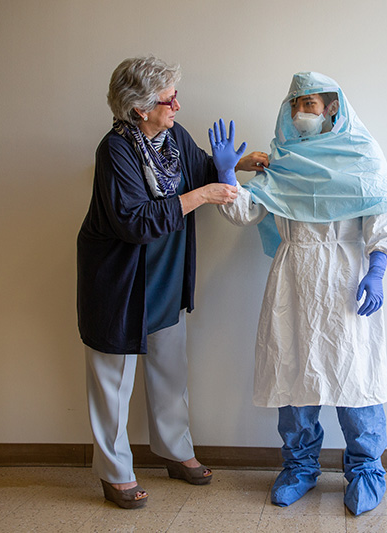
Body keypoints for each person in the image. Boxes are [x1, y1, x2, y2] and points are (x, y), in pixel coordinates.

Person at [76, 56, 267, 509]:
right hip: (120, 283)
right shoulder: (115, 150)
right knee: (112, 384)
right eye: (168, 99)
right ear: (139, 109)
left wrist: (239, 162)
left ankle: (174, 451)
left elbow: (201, 169)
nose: (178, 105)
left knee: (170, 370)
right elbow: (135, 220)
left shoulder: (172, 136)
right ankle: (114, 471)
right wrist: (202, 195)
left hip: (164, 275)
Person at [210, 71, 387, 516]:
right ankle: (299, 467)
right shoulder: (281, 162)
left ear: (332, 107)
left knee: (354, 375)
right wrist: (226, 173)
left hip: (345, 278)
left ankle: (366, 469)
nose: (301, 114)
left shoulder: (360, 155)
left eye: (309, 105)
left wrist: (376, 270)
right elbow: (245, 213)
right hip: (293, 277)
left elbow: (383, 214)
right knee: (293, 372)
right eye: (295, 105)